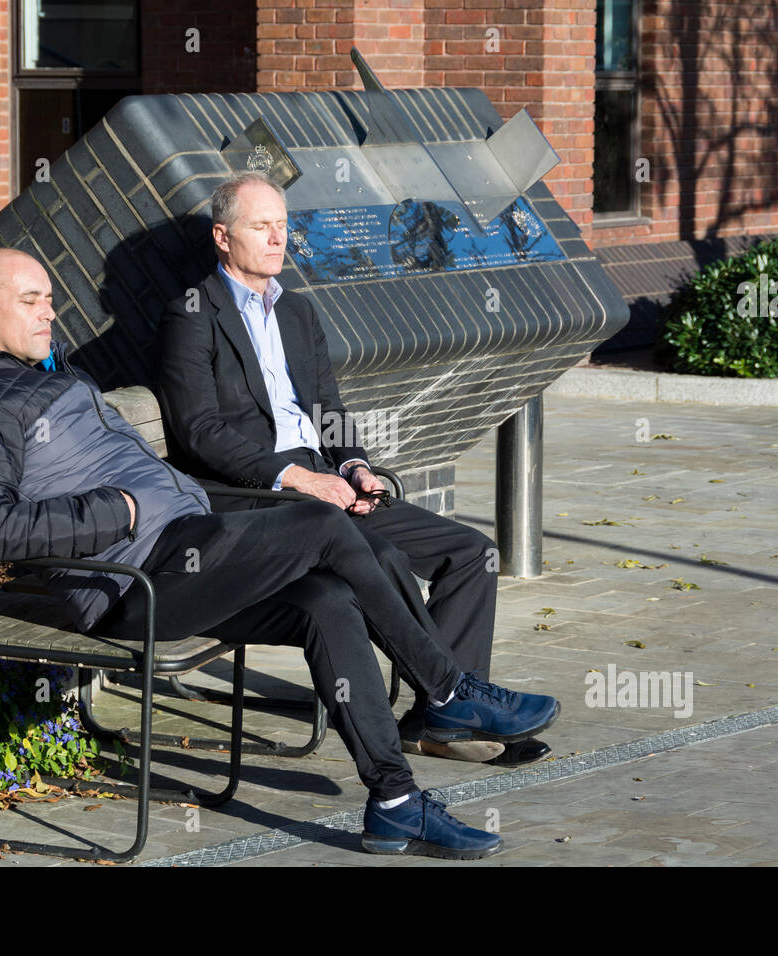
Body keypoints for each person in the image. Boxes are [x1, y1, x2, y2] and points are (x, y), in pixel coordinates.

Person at [0, 247, 559, 860]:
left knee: (326, 602)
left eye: (49, 297)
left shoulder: (33, 371)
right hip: (132, 584)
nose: (49, 311)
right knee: (324, 527)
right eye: (30, 300)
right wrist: (119, 511)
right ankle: (446, 690)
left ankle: (394, 801)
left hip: (183, 549)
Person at [153, 171, 550, 767]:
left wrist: (356, 469)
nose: (276, 238)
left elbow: (327, 411)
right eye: (260, 226)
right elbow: (200, 432)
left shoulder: (299, 314)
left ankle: (441, 719)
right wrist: (300, 480)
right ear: (222, 237)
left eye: (283, 226)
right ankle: (451, 702)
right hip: (261, 497)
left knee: (470, 553)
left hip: (326, 481)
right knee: (383, 559)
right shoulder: (192, 314)